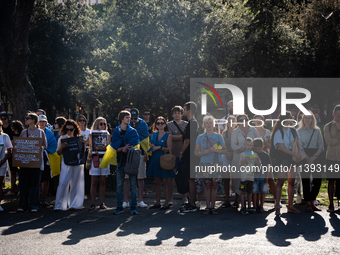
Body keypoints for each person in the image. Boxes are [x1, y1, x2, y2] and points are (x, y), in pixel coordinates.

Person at [100, 110, 140, 215]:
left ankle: (133, 208)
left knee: (133, 185)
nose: (129, 119)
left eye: (129, 117)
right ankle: (119, 207)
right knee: (119, 185)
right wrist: (123, 148)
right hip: (120, 161)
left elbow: (137, 147)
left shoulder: (133, 132)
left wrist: (129, 148)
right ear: (121, 119)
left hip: (131, 161)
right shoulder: (116, 132)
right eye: (127, 117)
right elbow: (113, 147)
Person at [271, 112, 302, 215]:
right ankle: (277, 205)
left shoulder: (294, 131)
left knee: (291, 182)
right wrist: (295, 154)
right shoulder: (278, 131)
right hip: (282, 157)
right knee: (280, 181)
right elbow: (281, 147)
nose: (292, 119)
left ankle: (290, 205)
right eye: (290, 118)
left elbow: (298, 144)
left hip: (292, 158)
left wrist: (298, 155)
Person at [194, 115, 226, 215]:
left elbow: (225, 151)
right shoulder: (200, 137)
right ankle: (208, 206)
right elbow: (196, 152)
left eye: (210, 123)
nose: (209, 125)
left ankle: (213, 206)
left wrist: (214, 150)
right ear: (204, 124)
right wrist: (204, 152)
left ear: (214, 125)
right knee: (207, 185)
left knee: (215, 185)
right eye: (207, 123)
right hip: (205, 163)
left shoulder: (218, 136)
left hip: (217, 163)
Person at [18, 112, 47, 212]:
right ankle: (23, 205)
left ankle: (34, 205)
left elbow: (45, 145)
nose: (26, 119)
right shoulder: (23, 132)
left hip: (36, 162)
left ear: (34, 120)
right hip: (25, 162)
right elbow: (19, 145)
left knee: (35, 184)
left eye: (28, 118)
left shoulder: (40, 132)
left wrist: (41, 147)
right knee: (23, 184)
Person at [54, 120, 85, 211]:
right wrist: (62, 147)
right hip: (66, 163)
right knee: (63, 182)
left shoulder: (80, 138)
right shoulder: (62, 138)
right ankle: (60, 205)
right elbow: (58, 153)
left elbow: (83, 152)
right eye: (67, 129)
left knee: (76, 183)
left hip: (77, 163)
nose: (69, 131)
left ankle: (75, 204)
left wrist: (85, 144)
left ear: (75, 128)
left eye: (71, 129)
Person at [231, 114, 260, 209]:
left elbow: (258, 141)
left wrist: (252, 149)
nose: (243, 121)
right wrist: (243, 149)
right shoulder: (236, 132)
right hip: (239, 158)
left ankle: (251, 205)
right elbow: (233, 145)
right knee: (238, 180)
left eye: (244, 119)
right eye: (240, 120)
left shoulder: (253, 130)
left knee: (249, 180)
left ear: (248, 120)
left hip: (251, 159)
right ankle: (238, 201)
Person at [298, 111, 324, 212]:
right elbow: (300, 146)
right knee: (305, 180)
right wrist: (307, 159)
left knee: (317, 180)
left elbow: (321, 146)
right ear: (302, 119)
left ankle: (313, 200)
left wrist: (314, 157)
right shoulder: (299, 131)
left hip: (316, 155)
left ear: (312, 119)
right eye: (305, 118)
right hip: (304, 156)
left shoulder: (317, 130)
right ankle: (308, 203)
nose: (307, 119)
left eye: (309, 118)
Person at [147, 116, 173, 210]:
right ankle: (157, 202)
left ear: (165, 125)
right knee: (157, 182)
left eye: (162, 123)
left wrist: (160, 148)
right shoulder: (153, 135)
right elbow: (150, 148)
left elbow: (169, 149)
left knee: (165, 182)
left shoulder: (168, 135)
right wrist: (152, 147)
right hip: (155, 160)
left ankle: (166, 203)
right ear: (156, 125)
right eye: (158, 123)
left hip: (164, 161)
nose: (160, 124)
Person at [125, 108, 150, 208]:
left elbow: (146, 138)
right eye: (132, 118)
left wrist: (146, 153)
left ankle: (140, 200)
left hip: (140, 153)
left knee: (140, 178)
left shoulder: (143, 124)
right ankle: (125, 201)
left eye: (135, 118)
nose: (134, 120)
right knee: (126, 178)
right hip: (128, 154)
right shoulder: (126, 123)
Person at [180, 102, 199, 213]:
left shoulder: (192, 123)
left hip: (190, 155)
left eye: (184, 109)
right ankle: (192, 202)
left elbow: (187, 141)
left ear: (189, 110)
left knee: (191, 180)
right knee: (190, 179)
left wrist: (181, 153)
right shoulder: (192, 122)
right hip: (191, 155)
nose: (183, 111)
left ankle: (192, 204)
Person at [253, 115, 277, 206]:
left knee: (270, 179)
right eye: (257, 119)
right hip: (255, 161)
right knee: (257, 181)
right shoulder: (252, 131)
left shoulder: (267, 132)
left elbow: (271, 146)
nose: (258, 121)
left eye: (260, 119)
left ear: (264, 121)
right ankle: (258, 203)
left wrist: (265, 142)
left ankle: (276, 200)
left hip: (266, 159)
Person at [88, 117, 111, 211]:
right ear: (97, 124)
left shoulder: (107, 134)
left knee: (102, 181)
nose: (103, 126)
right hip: (95, 158)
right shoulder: (91, 134)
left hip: (104, 158)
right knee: (93, 181)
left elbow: (108, 145)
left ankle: (102, 202)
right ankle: (92, 203)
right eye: (101, 124)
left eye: (104, 124)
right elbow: (90, 145)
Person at [167, 106, 188, 205]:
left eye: (179, 113)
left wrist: (178, 137)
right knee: (171, 177)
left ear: (182, 114)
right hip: (173, 154)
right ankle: (170, 198)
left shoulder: (186, 124)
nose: (177, 114)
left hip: (184, 154)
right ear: (172, 114)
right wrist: (182, 137)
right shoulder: (168, 124)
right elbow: (169, 137)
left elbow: (189, 138)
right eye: (175, 113)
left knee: (184, 176)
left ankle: (185, 197)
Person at [38, 115, 57, 207]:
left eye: (43, 121)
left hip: (46, 159)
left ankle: (43, 199)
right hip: (34, 159)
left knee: (45, 180)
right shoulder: (31, 132)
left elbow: (53, 145)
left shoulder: (49, 133)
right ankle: (36, 199)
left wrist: (44, 150)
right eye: (40, 121)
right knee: (35, 180)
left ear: (46, 122)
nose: (41, 123)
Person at [324, 105, 340, 213]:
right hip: (331, 157)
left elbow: (332, 140)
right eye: (338, 115)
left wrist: (335, 139)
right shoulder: (328, 126)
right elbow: (328, 141)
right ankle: (330, 203)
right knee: (331, 181)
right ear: (333, 114)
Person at [239, 137, 260, 215]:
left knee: (249, 192)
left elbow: (259, 165)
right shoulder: (242, 154)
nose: (249, 146)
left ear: (252, 146)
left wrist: (257, 160)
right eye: (247, 145)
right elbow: (240, 166)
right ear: (244, 145)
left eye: (250, 145)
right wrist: (245, 161)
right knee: (242, 191)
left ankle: (249, 206)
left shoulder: (254, 154)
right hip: (243, 177)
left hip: (251, 177)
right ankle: (242, 207)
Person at [221, 115, 237, 207]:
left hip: (236, 155)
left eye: (233, 121)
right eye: (229, 121)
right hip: (226, 155)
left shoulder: (238, 132)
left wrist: (233, 153)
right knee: (226, 178)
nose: (231, 123)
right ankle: (227, 199)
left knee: (236, 178)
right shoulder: (225, 132)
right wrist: (227, 153)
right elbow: (223, 144)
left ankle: (236, 200)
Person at [252, 138, 271, 213]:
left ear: (263, 147)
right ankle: (255, 206)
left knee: (263, 192)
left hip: (263, 174)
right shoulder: (253, 154)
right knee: (255, 191)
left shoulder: (266, 155)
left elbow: (268, 166)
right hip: (255, 174)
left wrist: (267, 176)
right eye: (256, 149)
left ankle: (261, 206)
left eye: (259, 149)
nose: (257, 150)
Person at [6, 120, 24, 195]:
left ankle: (21, 190)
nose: (11, 127)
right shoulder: (10, 134)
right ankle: (12, 189)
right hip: (12, 156)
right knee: (12, 172)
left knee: (21, 173)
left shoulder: (23, 134)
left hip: (20, 156)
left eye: (13, 126)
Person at [77, 115, 91, 198]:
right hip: (78, 153)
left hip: (86, 152)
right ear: (77, 122)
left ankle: (86, 191)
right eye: (80, 120)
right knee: (78, 173)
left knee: (86, 172)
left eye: (83, 120)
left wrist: (85, 143)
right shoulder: (75, 131)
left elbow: (91, 142)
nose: (82, 122)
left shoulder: (89, 131)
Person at [0, 120, 13, 211]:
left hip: (2, 164)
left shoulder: (5, 136)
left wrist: (2, 161)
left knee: (0, 184)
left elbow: (9, 150)